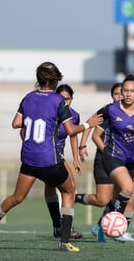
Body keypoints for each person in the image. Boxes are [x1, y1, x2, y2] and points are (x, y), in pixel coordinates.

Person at [0, 61, 103, 252]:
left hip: (29, 158)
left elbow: (16, 123)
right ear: (55, 81)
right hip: (49, 159)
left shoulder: (28, 97)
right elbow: (71, 129)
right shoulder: (58, 101)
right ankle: (64, 240)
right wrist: (88, 124)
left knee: (17, 197)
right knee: (69, 190)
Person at [89, 75, 134, 241]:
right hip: (112, 157)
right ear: (121, 91)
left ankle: (101, 225)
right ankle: (114, 225)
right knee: (127, 188)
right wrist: (106, 151)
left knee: (123, 196)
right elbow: (96, 135)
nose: (128, 94)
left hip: (131, 160)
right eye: (125, 91)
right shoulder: (111, 109)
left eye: (132, 91)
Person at [75, 82, 134, 242]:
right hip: (105, 160)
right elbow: (89, 124)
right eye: (117, 93)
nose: (120, 96)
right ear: (112, 96)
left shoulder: (131, 113)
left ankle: (117, 230)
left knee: (128, 194)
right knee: (103, 199)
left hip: (124, 160)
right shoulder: (108, 110)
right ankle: (74, 198)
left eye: (121, 93)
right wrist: (82, 145)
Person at [43, 84, 83, 240]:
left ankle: (62, 227)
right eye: (62, 98)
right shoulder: (48, 112)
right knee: (18, 197)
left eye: (68, 99)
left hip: (58, 155)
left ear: (72, 99)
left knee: (68, 186)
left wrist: (76, 158)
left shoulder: (74, 115)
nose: (65, 102)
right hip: (44, 154)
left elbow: (73, 135)